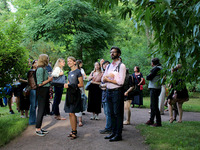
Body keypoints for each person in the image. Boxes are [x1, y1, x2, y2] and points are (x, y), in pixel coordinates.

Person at [102, 46, 126, 142]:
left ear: (119, 54)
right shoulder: (109, 66)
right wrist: (108, 79)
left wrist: (108, 79)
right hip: (108, 91)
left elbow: (120, 82)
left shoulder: (121, 66)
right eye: (111, 52)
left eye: (114, 52)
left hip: (117, 92)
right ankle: (112, 132)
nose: (112, 53)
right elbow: (103, 79)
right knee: (111, 113)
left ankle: (118, 134)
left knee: (117, 113)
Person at [64, 56, 84, 140]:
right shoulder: (69, 73)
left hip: (75, 94)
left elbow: (81, 84)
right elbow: (69, 82)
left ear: (74, 62)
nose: (69, 63)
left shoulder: (78, 72)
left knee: (72, 112)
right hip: (69, 94)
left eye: (70, 61)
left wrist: (70, 85)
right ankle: (73, 131)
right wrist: (67, 85)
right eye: (68, 61)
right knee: (70, 113)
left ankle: (74, 132)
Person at [35, 54, 53, 136]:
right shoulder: (40, 69)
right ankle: (38, 129)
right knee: (41, 110)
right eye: (47, 58)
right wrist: (49, 79)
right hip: (42, 90)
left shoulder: (43, 68)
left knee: (43, 110)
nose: (48, 59)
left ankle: (40, 127)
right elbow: (39, 83)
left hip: (45, 90)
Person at [145, 58, 162, 127]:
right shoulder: (159, 68)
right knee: (152, 105)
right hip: (156, 88)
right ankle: (151, 120)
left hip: (155, 88)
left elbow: (149, 77)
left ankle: (158, 122)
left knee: (154, 105)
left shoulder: (157, 69)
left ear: (153, 63)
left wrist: (148, 75)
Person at [99, 60, 112, 134]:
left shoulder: (110, 74)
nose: (105, 66)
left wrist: (104, 86)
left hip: (108, 94)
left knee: (108, 112)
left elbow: (109, 84)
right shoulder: (104, 73)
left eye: (107, 64)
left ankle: (108, 128)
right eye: (104, 65)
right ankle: (109, 127)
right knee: (106, 112)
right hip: (103, 94)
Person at [75, 60, 87, 127]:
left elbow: (82, 80)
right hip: (75, 89)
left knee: (79, 103)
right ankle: (76, 119)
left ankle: (80, 120)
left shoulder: (81, 70)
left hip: (80, 88)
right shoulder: (73, 71)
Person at [28, 60, 38, 124]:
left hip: (37, 89)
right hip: (33, 89)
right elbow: (31, 81)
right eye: (35, 63)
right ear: (33, 64)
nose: (37, 64)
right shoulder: (31, 72)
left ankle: (34, 120)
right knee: (33, 105)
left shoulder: (38, 71)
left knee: (35, 105)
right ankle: (31, 121)